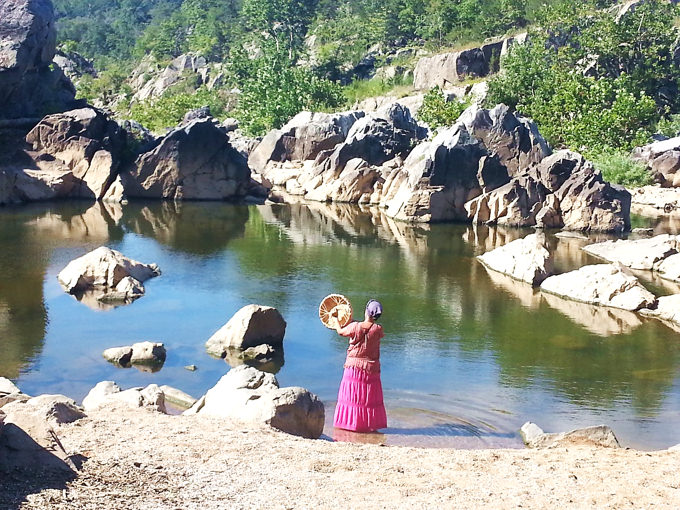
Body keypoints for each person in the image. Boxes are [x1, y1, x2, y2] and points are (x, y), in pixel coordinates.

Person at [332, 299, 387, 433]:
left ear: (366, 312)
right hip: (371, 369)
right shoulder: (378, 329)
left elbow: (341, 331)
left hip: (354, 367)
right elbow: (369, 330)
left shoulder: (355, 326)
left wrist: (336, 320)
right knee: (367, 398)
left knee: (352, 395)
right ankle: (367, 425)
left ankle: (350, 424)